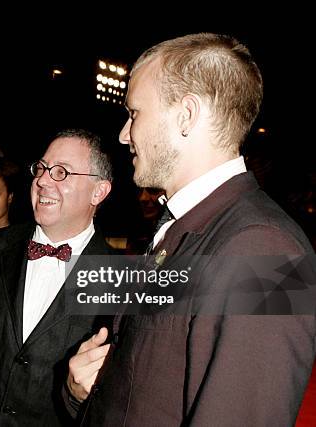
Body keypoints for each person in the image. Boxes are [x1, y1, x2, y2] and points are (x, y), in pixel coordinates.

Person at [67, 33, 316, 426]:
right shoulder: (183, 225)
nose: (123, 133)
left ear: (186, 115)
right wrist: (87, 392)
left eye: (134, 114)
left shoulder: (266, 247)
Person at [0, 129, 115, 426]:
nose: (43, 180)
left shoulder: (119, 278)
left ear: (98, 191)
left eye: (61, 172)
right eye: (41, 168)